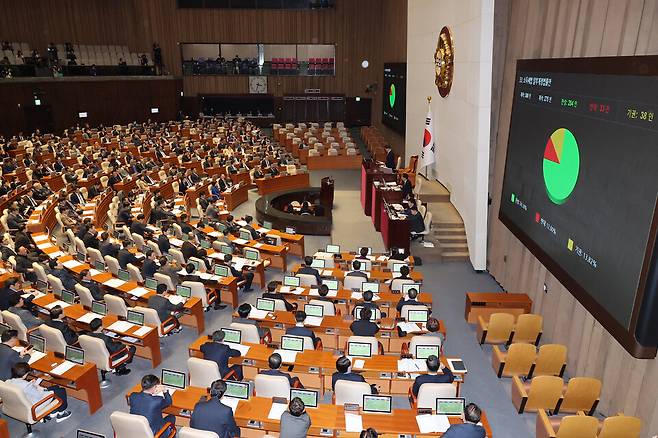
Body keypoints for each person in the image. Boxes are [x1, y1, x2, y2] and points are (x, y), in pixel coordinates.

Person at [7, 362, 72, 422]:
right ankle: (61, 414)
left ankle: (53, 411)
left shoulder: (8, 382)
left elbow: (23, 387)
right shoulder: (27, 386)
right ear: (24, 374)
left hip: (20, 404)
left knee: (56, 387)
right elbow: (40, 395)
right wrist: (43, 389)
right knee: (61, 391)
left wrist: (32, 385)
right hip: (34, 406)